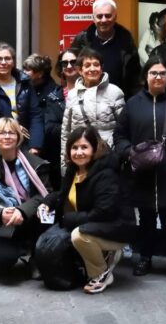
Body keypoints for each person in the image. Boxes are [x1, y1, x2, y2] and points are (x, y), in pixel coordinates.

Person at [114, 55, 166, 279]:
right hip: (142, 174)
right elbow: (120, 135)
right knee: (146, 220)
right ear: (146, 76)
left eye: (162, 73)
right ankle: (145, 258)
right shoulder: (133, 104)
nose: (158, 77)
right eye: (153, 73)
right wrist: (128, 152)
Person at [40, 126, 133, 294]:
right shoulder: (74, 170)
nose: (79, 152)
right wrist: (47, 203)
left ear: (94, 149)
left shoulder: (106, 173)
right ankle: (102, 255)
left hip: (117, 228)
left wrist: (69, 219)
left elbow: (104, 212)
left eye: (84, 147)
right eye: (74, 148)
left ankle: (101, 274)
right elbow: (63, 194)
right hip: (93, 223)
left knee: (78, 235)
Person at [0, 117, 51, 272]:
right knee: (3, 261)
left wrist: (22, 211)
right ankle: (13, 252)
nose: (6, 136)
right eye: (1, 133)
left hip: (30, 219)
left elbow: (46, 195)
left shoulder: (35, 164)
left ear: (18, 137)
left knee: (46, 213)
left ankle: (35, 256)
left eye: (11, 133)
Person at [0, 42, 44, 154]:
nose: (3, 62)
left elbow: (36, 115)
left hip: (25, 146)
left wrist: (35, 146)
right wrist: (11, 126)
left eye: (7, 58)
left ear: (13, 62)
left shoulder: (25, 83)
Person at [60, 48, 125, 172]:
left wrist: (118, 155)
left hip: (107, 158)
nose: (92, 69)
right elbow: (66, 132)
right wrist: (64, 164)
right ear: (80, 70)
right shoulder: (72, 95)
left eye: (96, 65)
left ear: (101, 68)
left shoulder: (114, 92)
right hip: (79, 158)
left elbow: (123, 129)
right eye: (87, 65)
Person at [71, 0, 140, 98]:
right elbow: (72, 68)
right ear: (93, 18)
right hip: (86, 99)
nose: (103, 20)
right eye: (99, 16)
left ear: (115, 17)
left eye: (108, 16)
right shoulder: (82, 39)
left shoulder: (126, 40)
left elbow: (135, 75)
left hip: (118, 100)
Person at [23, 54, 66, 189]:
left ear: (39, 73)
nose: (24, 73)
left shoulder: (53, 93)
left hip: (48, 146)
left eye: (28, 69)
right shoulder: (26, 89)